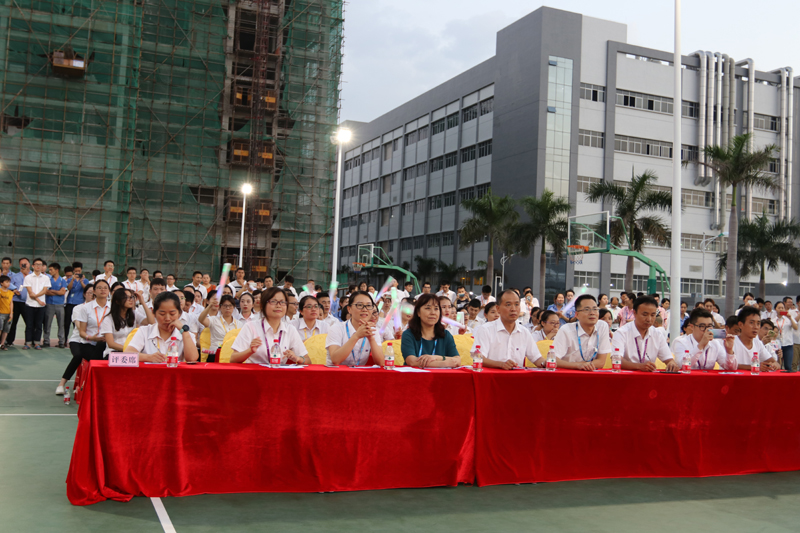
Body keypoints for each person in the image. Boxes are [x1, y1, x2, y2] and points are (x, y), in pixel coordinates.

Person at [230, 287, 310, 365]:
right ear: (262, 305)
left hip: (279, 372)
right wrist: (250, 351)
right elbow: (233, 359)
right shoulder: (250, 327)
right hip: (255, 372)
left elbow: (308, 360)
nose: (278, 305)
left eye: (282, 302)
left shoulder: (290, 329)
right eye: (273, 301)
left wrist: (298, 358)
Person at [471, 290, 542, 369]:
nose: (513, 309)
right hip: (492, 375)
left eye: (516, 304)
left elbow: (536, 358)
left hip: (516, 376)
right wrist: (501, 364)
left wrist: (545, 363)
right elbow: (479, 358)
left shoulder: (524, 332)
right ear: (498, 308)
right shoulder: (486, 329)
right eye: (508, 305)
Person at [127, 292, 199, 363]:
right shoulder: (144, 331)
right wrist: (148, 357)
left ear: (179, 313)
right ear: (154, 313)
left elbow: (192, 359)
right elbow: (128, 355)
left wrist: (184, 331)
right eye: (162, 314)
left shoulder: (187, 335)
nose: (167, 318)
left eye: (172, 314)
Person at [612, 296, 678, 372]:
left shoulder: (657, 334)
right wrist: (639, 366)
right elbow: (616, 361)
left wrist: (671, 364)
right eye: (645, 315)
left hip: (649, 377)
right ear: (634, 313)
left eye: (653, 315)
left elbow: (669, 359)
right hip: (626, 377)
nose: (649, 319)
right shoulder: (621, 333)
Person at [325, 290, 385, 366]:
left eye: (369, 305)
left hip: (359, 372)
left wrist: (371, 338)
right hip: (336, 372)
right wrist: (356, 336)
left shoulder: (373, 330)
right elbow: (335, 360)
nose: (365, 309)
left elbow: (381, 363)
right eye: (359, 305)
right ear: (349, 309)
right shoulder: (336, 328)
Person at [551, 295, 611, 370]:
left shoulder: (602, 326)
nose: (592, 313)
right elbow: (553, 360)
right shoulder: (566, 330)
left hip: (592, 373)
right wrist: (578, 366)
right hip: (569, 373)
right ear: (577, 315)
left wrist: (583, 365)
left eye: (595, 309)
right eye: (587, 309)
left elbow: (601, 362)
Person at [401, 293, 461, 368]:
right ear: (418, 312)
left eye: (436, 309)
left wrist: (437, 358)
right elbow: (412, 361)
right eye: (428, 308)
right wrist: (444, 363)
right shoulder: (408, 334)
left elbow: (457, 360)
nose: (433, 313)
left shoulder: (445, 335)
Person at [56, 284, 94, 395]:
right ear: (84, 294)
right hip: (78, 340)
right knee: (78, 356)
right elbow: (78, 325)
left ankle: (88, 385)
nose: (92, 295)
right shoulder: (78, 308)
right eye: (89, 293)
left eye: (94, 293)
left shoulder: (102, 309)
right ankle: (61, 384)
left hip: (95, 341)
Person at [672, 309, 737, 370]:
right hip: (687, 378)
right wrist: (701, 345)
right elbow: (681, 365)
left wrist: (729, 351)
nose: (707, 330)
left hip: (708, 378)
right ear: (692, 327)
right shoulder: (680, 342)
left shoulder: (715, 343)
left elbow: (731, 368)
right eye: (702, 326)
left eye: (709, 326)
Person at [100, 289, 151, 357]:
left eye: (131, 297)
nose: (130, 300)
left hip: (131, 353)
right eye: (126, 297)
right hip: (114, 353)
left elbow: (151, 322)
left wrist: (143, 302)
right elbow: (111, 344)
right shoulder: (108, 319)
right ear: (117, 301)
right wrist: (129, 350)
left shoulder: (134, 314)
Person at [733, 307, 780, 371]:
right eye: (751, 323)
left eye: (758, 323)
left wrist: (774, 365)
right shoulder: (731, 342)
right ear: (740, 324)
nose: (756, 327)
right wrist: (754, 366)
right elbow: (727, 365)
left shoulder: (758, 343)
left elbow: (774, 362)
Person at [76, 279, 111, 363]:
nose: (103, 290)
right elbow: (82, 332)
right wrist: (91, 338)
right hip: (89, 343)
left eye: (105, 288)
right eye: (99, 288)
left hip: (108, 344)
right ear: (94, 291)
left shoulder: (114, 307)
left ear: (109, 291)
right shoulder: (86, 308)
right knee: (99, 359)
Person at [22, 258, 51, 350]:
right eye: (36, 264)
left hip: (41, 306)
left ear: (42, 266)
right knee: (29, 325)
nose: (38, 266)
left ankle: (37, 343)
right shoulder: (28, 277)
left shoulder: (46, 278)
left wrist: (37, 298)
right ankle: (28, 343)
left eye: (40, 264)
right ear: (33, 266)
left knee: (39, 325)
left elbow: (45, 290)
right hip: (30, 304)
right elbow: (30, 292)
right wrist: (38, 300)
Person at [41, 262, 67, 348]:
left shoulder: (63, 280)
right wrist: (57, 292)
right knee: (47, 324)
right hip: (49, 304)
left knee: (61, 324)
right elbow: (46, 291)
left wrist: (53, 291)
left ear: (56, 270)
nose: (50, 271)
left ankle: (61, 341)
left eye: (51, 270)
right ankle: (46, 341)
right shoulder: (48, 279)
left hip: (60, 304)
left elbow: (62, 292)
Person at [7, 257, 29, 347]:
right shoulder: (14, 276)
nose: (23, 265)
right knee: (13, 322)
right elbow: (9, 285)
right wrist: (15, 290)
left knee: (29, 322)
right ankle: (9, 341)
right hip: (16, 302)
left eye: (25, 264)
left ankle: (29, 341)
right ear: (19, 265)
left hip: (28, 302)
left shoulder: (32, 276)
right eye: (21, 264)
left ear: (29, 264)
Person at [65, 262, 87, 343]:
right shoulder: (69, 279)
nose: (78, 272)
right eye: (76, 271)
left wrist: (81, 281)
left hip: (79, 303)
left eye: (79, 271)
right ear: (73, 271)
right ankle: (64, 340)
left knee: (77, 323)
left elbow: (86, 289)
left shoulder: (85, 280)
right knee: (66, 322)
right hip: (70, 303)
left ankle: (78, 340)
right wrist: (73, 279)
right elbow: (68, 288)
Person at [772, 300, 797, 370]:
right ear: (775, 309)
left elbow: (795, 327)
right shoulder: (773, 321)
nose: (781, 309)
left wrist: (790, 318)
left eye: (782, 308)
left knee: (788, 366)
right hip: (777, 345)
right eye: (779, 308)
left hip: (788, 345)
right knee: (777, 366)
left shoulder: (788, 319)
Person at [0, 275, 13, 350]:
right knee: (0, 328)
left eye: (9, 282)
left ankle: (2, 344)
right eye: (6, 282)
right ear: (1, 283)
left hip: (8, 313)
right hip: (1, 313)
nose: (8, 284)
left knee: (6, 329)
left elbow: (11, 303)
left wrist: (11, 313)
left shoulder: (10, 293)